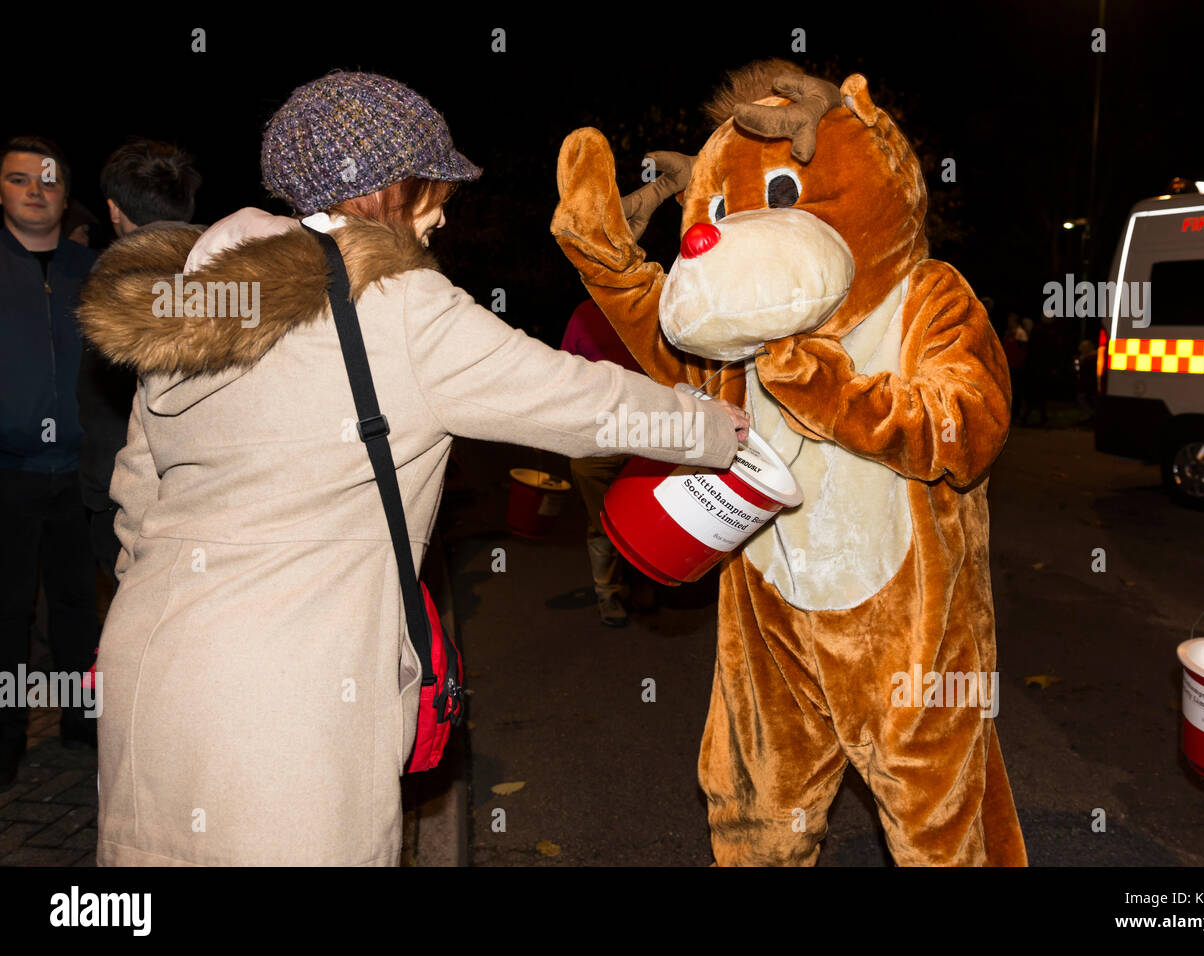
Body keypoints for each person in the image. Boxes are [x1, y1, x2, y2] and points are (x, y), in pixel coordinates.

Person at [77, 71, 748, 866]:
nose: (442, 209)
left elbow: (136, 495)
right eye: (434, 186)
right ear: (391, 190)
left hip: (149, 663)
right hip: (285, 691)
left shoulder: (197, 308)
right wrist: (718, 427)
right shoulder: (397, 306)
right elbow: (577, 399)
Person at [0, 136, 101, 788]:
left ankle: (83, 726)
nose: (35, 190)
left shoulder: (96, 271)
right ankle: (5, 744)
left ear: (67, 194)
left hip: (84, 473)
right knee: (7, 616)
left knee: (80, 609)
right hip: (6, 476)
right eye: (18, 180)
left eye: (48, 180)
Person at [78, 139, 201, 577]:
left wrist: (96, 490)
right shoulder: (233, 260)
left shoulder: (116, 272)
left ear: (114, 209)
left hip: (134, 495)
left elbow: (105, 393)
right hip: (209, 488)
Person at [560, 298, 645, 627]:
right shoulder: (583, 315)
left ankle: (642, 584)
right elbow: (565, 374)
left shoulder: (646, 307)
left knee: (644, 516)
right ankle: (608, 592)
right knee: (603, 521)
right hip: (594, 440)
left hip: (646, 435)